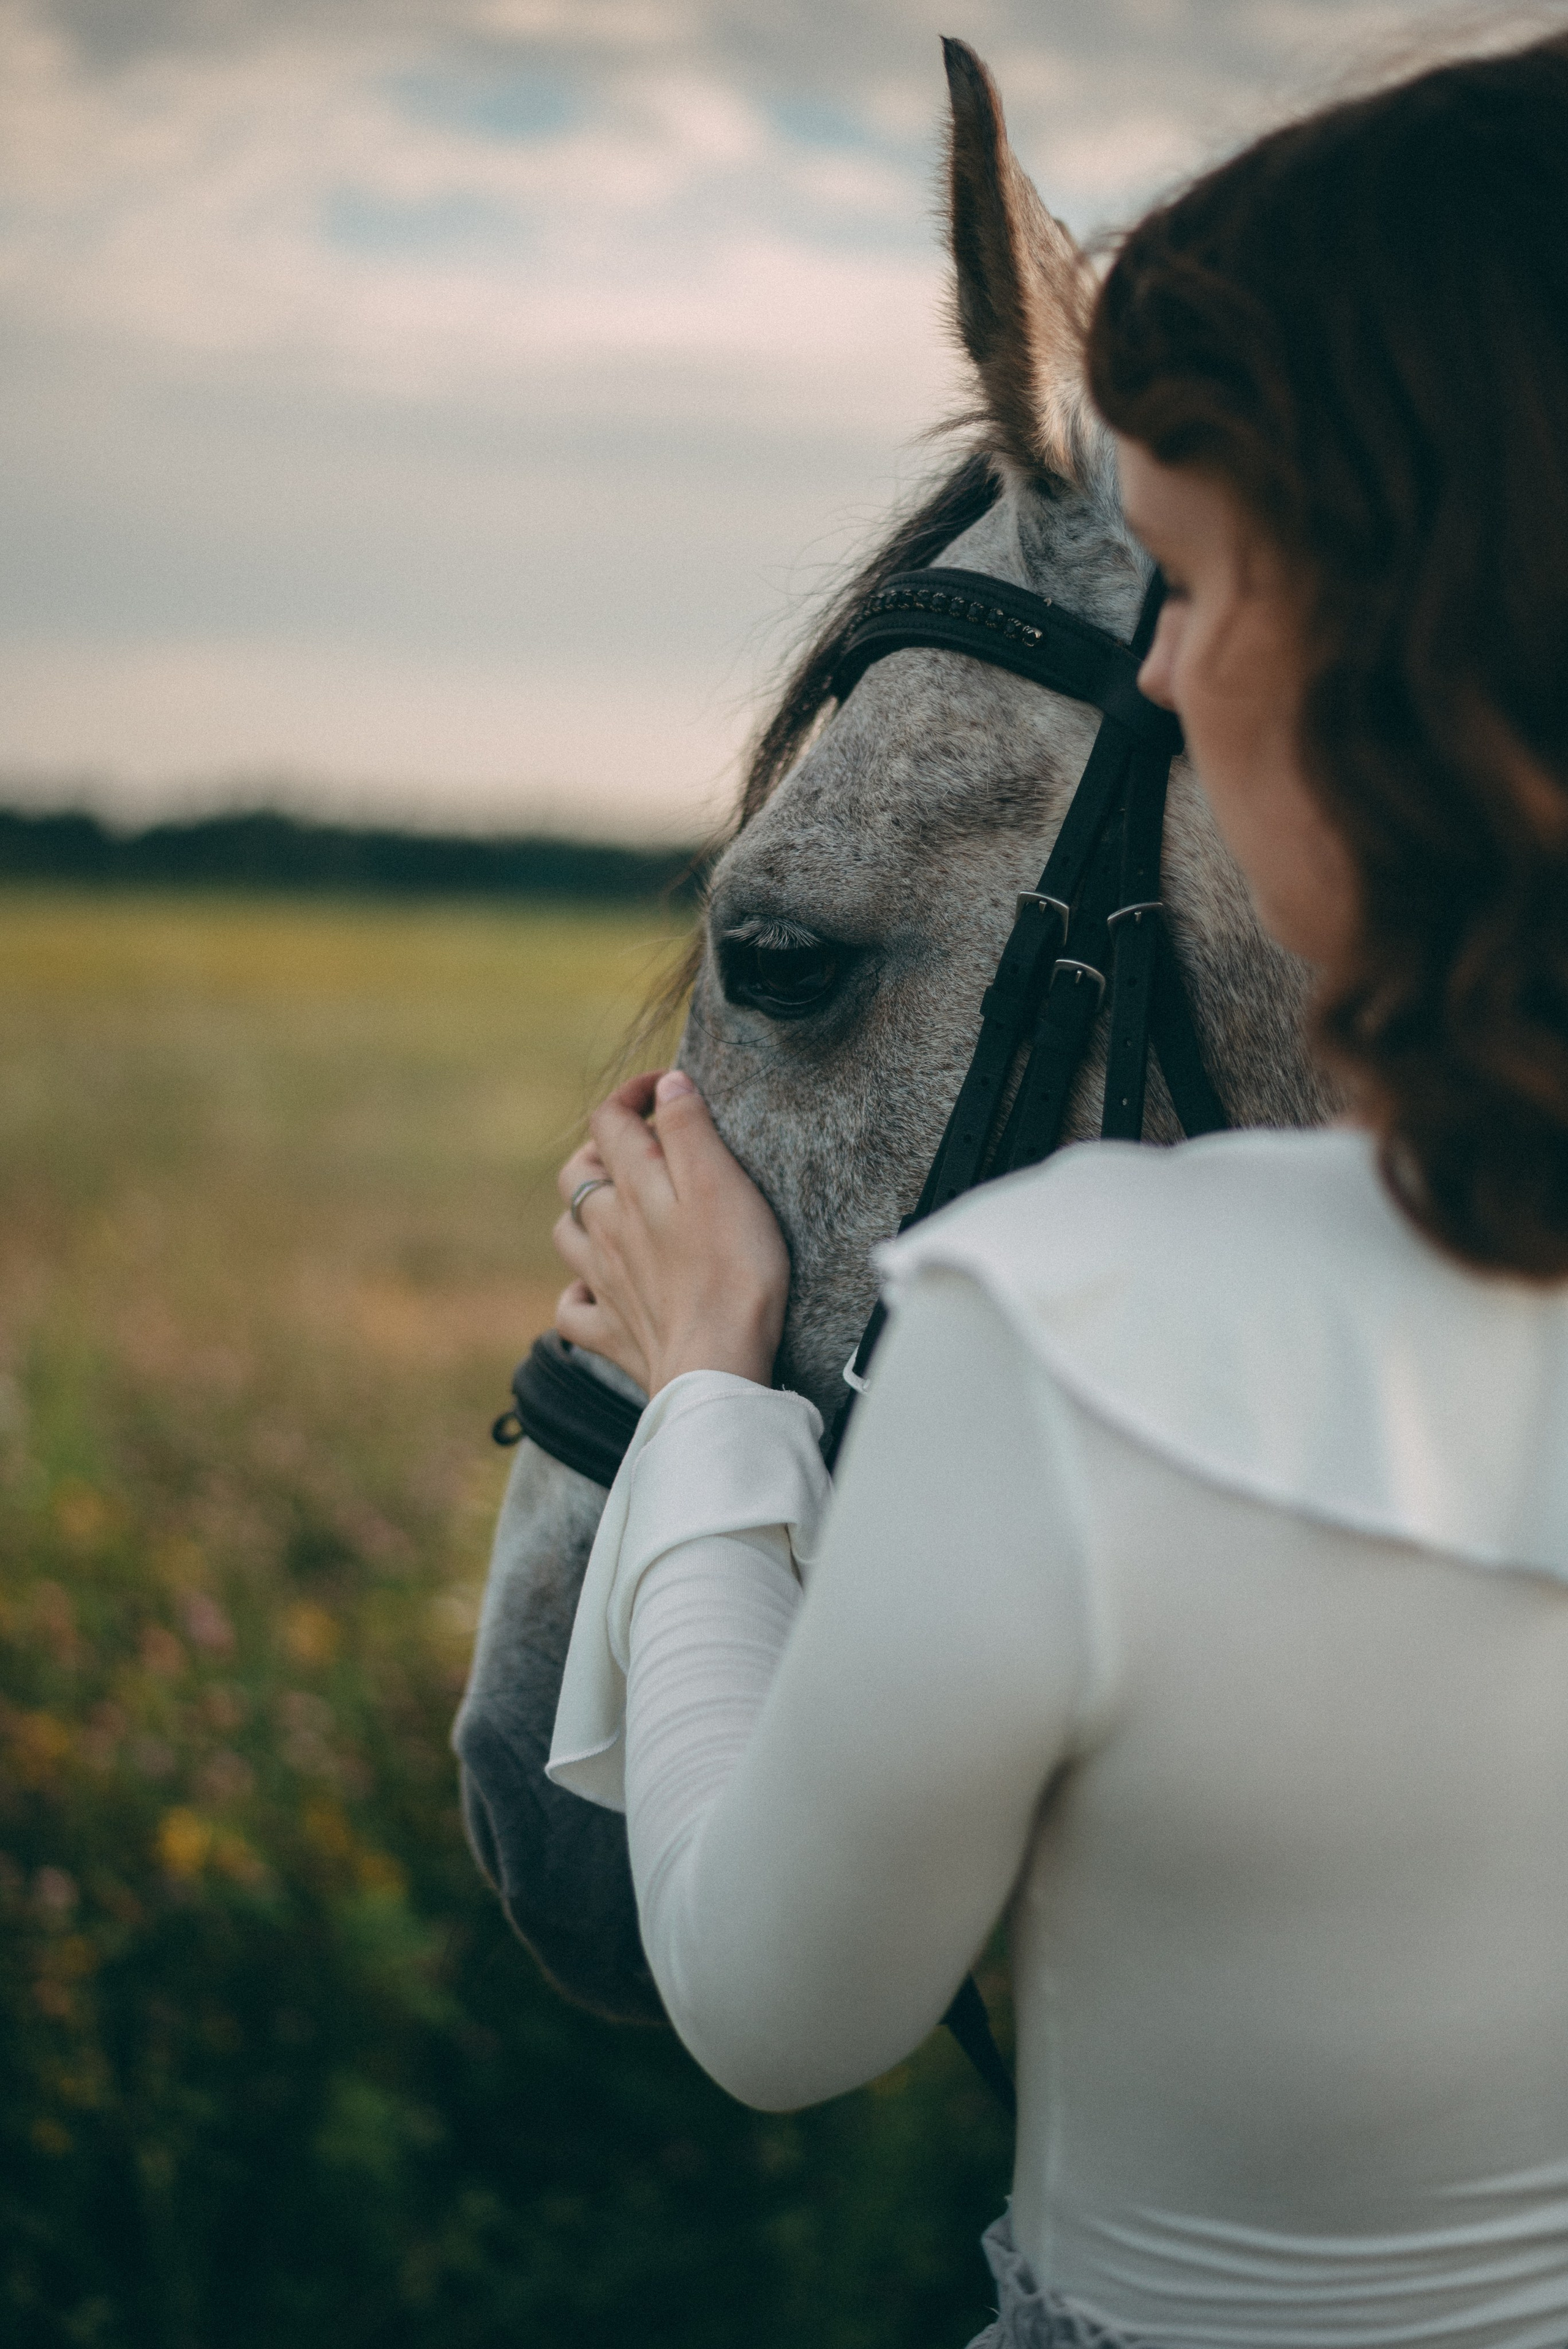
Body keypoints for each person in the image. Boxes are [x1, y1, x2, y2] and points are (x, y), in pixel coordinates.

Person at [544, 33, 1568, 2349]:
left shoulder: (1083, 1316)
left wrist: (711, 1399)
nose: (1172, 678)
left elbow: (772, 2002)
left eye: (1200, 581)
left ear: (1424, 633)